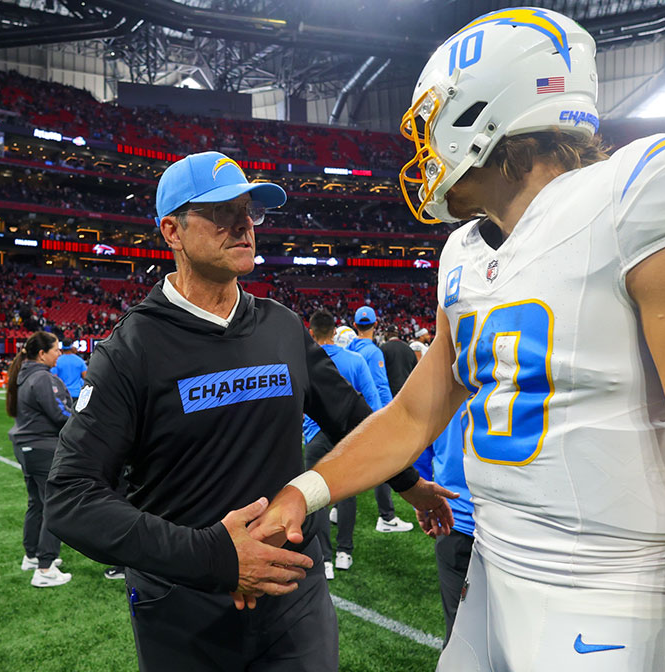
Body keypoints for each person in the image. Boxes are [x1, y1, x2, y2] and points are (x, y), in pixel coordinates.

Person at [251, 9, 665, 671]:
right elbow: (414, 413)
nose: (424, 149)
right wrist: (304, 491)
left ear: (485, 115)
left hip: (614, 592)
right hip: (493, 565)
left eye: (432, 123)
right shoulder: (462, 252)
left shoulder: (643, 190)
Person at [44, 151, 448, 672]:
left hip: (294, 593)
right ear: (172, 231)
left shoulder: (281, 326)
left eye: (249, 211)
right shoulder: (131, 349)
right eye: (220, 212)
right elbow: (71, 499)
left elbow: (349, 416)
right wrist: (215, 557)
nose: (243, 225)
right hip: (188, 606)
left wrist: (411, 485)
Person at [303, 310, 382, 579]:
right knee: (347, 493)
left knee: (317, 499)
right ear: (335, 332)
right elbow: (372, 401)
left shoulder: (303, 362)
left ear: (311, 333)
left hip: (315, 437)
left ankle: (324, 559)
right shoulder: (356, 360)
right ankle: (344, 552)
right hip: (347, 436)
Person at [6, 331, 73, 588]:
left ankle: (32, 555)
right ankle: (45, 568)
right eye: (56, 349)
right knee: (53, 505)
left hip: (27, 446)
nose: (59, 353)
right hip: (42, 446)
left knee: (36, 503)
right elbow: (60, 415)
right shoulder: (43, 378)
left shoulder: (24, 375)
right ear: (42, 353)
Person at [349, 306, 413, 534]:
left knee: (349, 462)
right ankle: (386, 517)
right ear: (375, 325)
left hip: (352, 413)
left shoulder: (349, 348)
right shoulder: (374, 352)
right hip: (373, 413)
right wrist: (388, 413)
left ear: (355, 325)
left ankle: (339, 507)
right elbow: (381, 386)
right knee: (383, 464)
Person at [411, 409, 473, 645]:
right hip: (514, 529)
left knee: (460, 636)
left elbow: (420, 446)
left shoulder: (446, 381)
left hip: (456, 520)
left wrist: (424, 500)